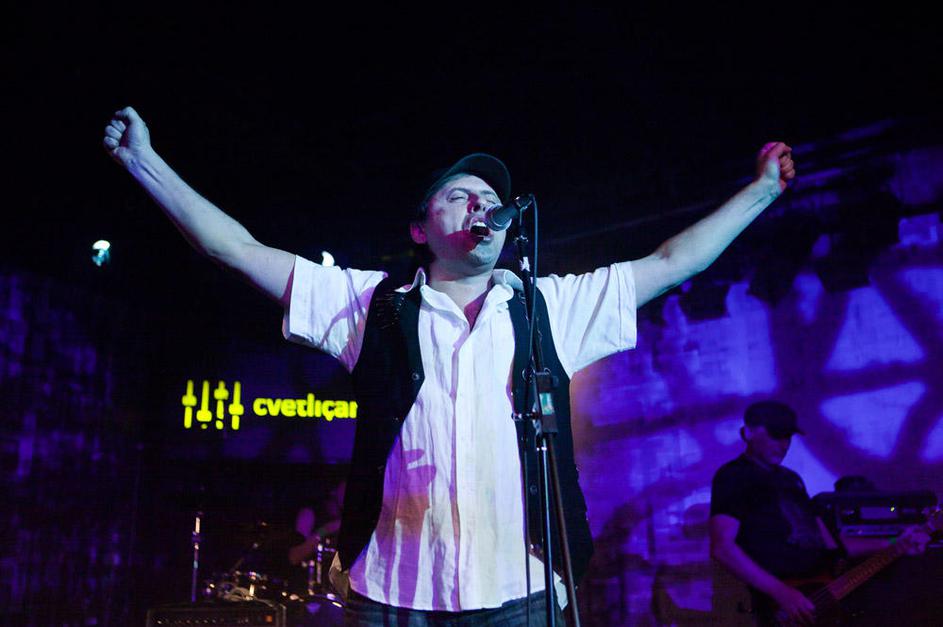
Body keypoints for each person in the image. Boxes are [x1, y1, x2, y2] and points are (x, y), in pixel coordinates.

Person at [104, 105, 795, 625]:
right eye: (461, 195)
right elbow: (236, 249)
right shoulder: (369, 305)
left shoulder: (549, 308)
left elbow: (672, 262)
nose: (482, 204)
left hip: (522, 592)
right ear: (420, 227)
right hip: (391, 592)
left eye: (490, 198)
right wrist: (144, 163)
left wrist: (762, 191)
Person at [709, 400, 930, 626]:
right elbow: (722, 548)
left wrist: (894, 542)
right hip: (783, 606)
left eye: (788, 437)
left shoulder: (791, 479)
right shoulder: (733, 476)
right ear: (747, 433)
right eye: (776, 435)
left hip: (822, 594)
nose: (783, 444)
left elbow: (828, 544)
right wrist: (781, 592)